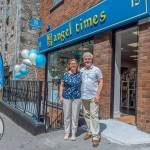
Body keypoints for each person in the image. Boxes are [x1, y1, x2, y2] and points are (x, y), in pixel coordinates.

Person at [80, 52, 103, 147]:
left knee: (94, 115)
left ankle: (96, 136)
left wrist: (98, 95)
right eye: (86, 59)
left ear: (92, 59)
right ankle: (89, 131)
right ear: (84, 60)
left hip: (93, 96)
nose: (87, 60)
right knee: (86, 114)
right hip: (84, 96)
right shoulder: (81, 70)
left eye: (89, 58)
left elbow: (101, 82)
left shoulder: (96, 70)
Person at [59, 59, 82, 141]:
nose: (73, 65)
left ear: (77, 65)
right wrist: (60, 96)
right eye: (71, 63)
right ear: (69, 65)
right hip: (66, 97)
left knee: (75, 116)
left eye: (74, 63)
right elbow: (61, 86)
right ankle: (67, 132)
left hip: (77, 97)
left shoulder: (80, 74)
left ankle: (73, 133)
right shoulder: (65, 74)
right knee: (67, 115)